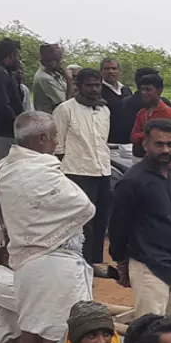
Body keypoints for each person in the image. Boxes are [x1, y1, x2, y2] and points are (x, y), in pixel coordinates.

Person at [0, 111, 96, 343]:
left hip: (23, 264)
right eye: (55, 136)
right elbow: (85, 207)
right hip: (54, 264)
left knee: (29, 339)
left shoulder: (5, 168)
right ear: (42, 138)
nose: (57, 142)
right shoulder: (44, 173)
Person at [110, 119, 171, 322]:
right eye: (159, 144)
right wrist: (121, 263)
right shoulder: (132, 181)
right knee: (151, 329)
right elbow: (118, 225)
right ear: (146, 145)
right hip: (149, 265)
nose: (166, 150)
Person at [52, 67, 113, 267]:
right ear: (78, 86)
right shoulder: (65, 110)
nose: (94, 89)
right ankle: (79, 261)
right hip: (76, 172)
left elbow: (103, 141)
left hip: (102, 170)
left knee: (100, 218)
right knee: (82, 221)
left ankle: (94, 262)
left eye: (97, 85)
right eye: (89, 85)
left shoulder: (104, 110)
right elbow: (57, 146)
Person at [0, 40, 26, 159]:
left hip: (8, 132)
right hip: (3, 133)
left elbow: (17, 100)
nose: (19, 60)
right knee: (8, 165)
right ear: (11, 55)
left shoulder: (7, 73)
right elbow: (2, 106)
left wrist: (17, 82)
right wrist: (19, 125)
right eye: (17, 56)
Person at [127, 74, 171, 166]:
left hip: (161, 160)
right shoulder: (142, 112)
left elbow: (165, 138)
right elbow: (133, 137)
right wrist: (149, 134)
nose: (144, 93)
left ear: (159, 91)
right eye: (142, 89)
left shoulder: (166, 112)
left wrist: (145, 135)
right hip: (141, 158)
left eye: (148, 89)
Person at [30, 43, 69, 116]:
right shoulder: (45, 78)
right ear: (52, 62)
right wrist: (69, 79)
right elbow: (65, 106)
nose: (62, 62)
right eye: (60, 59)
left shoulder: (55, 74)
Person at [98, 58, 131, 143]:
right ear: (101, 72)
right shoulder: (98, 91)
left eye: (114, 68)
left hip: (128, 141)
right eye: (106, 69)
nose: (111, 71)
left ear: (120, 71)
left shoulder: (126, 90)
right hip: (108, 141)